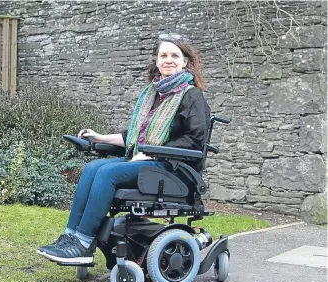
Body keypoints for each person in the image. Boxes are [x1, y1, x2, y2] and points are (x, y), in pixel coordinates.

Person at [37, 33, 211, 264]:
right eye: (163, 55)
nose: (168, 60)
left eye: (174, 55)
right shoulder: (154, 94)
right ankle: (71, 238)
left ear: (185, 62)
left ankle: (84, 241)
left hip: (175, 168)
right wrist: (101, 137)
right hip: (151, 161)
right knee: (92, 168)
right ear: (157, 61)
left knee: (108, 173)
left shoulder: (192, 95)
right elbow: (136, 136)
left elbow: (194, 140)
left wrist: (152, 152)